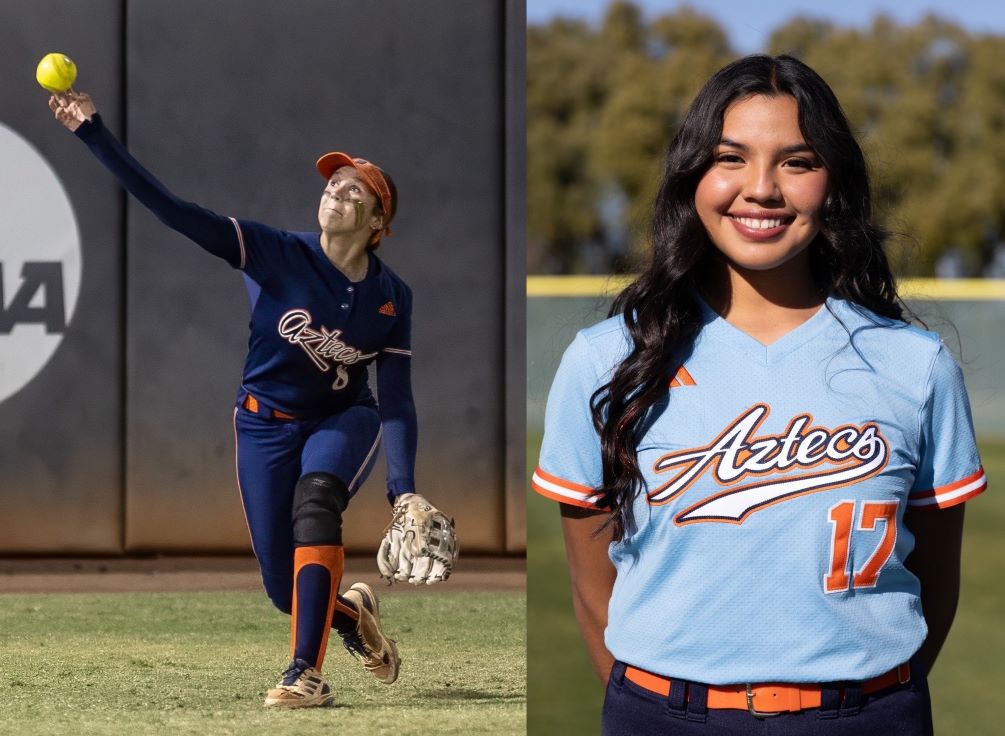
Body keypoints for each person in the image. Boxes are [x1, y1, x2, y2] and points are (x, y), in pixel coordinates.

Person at [532, 54, 986, 735]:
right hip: (664, 716)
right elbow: (593, 592)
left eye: (797, 161)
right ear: (693, 177)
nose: (762, 189)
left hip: (866, 717)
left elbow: (935, 584)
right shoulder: (607, 361)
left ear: (832, 181)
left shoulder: (914, 366)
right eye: (730, 158)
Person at [49, 91, 458, 709]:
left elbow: (396, 400)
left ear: (378, 223)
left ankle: (305, 675)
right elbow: (172, 209)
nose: (335, 192)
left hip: (343, 419)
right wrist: (92, 133)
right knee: (280, 584)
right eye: (332, 183)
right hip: (263, 422)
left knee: (316, 506)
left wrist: (403, 488)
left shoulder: (391, 297)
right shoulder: (276, 251)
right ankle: (352, 617)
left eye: (354, 191)